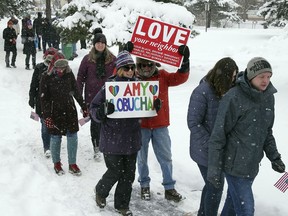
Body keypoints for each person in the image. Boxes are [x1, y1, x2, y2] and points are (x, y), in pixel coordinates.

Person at [207, 57, 286, 216]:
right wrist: (214, 169)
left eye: (268, 76)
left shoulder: (268, 97)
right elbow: (218, 135)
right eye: (261, 76)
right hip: (234, 166)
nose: (266, 81)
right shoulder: (234, 97)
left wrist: (274, 157)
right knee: (246, 210)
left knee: (232, 205)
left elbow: (266, 132)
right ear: (251, 76)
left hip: (252, 165)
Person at [125, 42, 190, 202]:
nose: (147, 67)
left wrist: (185, 60)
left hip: (160, 125)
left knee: (166, 157)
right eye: (142, 65)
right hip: (141, 126)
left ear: (155, 64)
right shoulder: (132, 78)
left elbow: (180, 77)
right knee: (142, 158)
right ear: (137, 65)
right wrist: (125, 54)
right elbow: (117, 77)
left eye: (150, 64)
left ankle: (169, 188)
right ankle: (144, 185)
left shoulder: (162, 76)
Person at [90, 51, 141, 216]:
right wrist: (103, 111)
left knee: (129, 174)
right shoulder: (110, 87)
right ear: (119, 69)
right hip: (112, 138)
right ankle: (100, 190)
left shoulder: (139, 86)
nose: (130, 71)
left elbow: (145, 107)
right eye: (127, 67)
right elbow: (94, 109)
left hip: (132, 138)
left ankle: (122, 205)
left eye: (132, 67)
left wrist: (153, 105)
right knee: (115, 171)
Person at [187, 57, 238, 216]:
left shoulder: (229, 89)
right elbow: (193, 123)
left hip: (221, 150)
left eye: (235, 76)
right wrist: (212, 144)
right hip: (205, 151)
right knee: (215, 187)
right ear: (221, 75)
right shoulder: (203, 91)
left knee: (211, 185)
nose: (233, 80)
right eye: (231, 76)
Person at [40, 52, 88, 176]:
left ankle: (72, 164)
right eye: (58, 67)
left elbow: (76, 91)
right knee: (55, 138)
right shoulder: (46, 77)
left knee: (73, 136)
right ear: (53, 66)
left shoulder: (69, 74)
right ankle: (57, 163)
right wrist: (47, 116)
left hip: (69, 110)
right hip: (54, 111)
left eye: (63, 67)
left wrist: (83, 106)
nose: (61, 69)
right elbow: (43, 99)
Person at [77, 28, 116, 160]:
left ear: (105, 44)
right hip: (92, 98)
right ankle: (97, 147)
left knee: (110, 122)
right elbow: (80, 78)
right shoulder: (87, 59)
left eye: (103, 43)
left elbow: (120, 74)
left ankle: (109, 145)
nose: (100, 45)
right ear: (94, 44)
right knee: (96, 123)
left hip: (110, 97)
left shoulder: (112, 59)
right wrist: (80, 98)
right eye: (98, 42)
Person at [28, 47, 58, 158]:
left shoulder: (58, 68)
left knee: (54, 124)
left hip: (55, 101)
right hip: (41, 101)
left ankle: (53, 144)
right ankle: (47, 147)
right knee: (45, 125)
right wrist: (31, 98)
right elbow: (34, 84)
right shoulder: (39, 68)